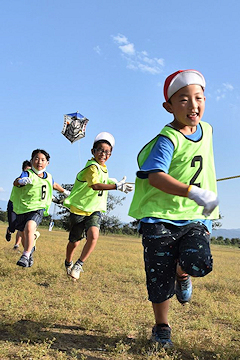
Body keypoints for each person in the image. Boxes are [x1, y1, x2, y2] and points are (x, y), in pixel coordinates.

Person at [128, 69, 219, 348]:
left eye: (198, 98)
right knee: (158, 276)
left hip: (193, 217)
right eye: (183, 100)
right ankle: (162, 327)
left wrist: (200, 194)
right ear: (168, 106)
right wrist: (193, 191)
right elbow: (155, 176)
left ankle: (183, 274)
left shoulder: (208, 130)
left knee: (199, 262)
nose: (193, 105)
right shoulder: (167, 138)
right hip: (160, 218)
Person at [63, 132, 133, 280]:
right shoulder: (92, 167)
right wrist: (116, 186)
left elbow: (104, 179)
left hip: (94, 210)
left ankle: (79, 264)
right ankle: (68, 261)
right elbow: (95, 185)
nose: (103, 154)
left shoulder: (103, 168)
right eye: (100, 150)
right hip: (79, 210)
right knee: (74, 243)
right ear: (93, 151)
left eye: (107, 152)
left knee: (94, 236)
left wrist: (115, 182)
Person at [12, 149, 70, 268]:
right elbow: (16, 182)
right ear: (32, 160)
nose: (39, 162)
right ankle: (30, 250)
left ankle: (25, 255)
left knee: (29, 227)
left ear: (47, 163)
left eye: (43, 160)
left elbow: (54, 184)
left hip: (39, 208)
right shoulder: (28, 173)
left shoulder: (48, 176)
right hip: (24, 208)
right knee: (24, 234)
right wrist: (21, 181)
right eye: (36, 159)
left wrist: (65, 191)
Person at [6, 160, 31, 243]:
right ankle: (9, 230)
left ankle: (26, 252)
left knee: (23, 229)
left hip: (23, 207)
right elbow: (16, 181)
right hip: (13, 205)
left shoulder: (32, 183)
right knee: (12, 226)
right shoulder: (20, 179)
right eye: (26, 170)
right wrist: (21, 181)